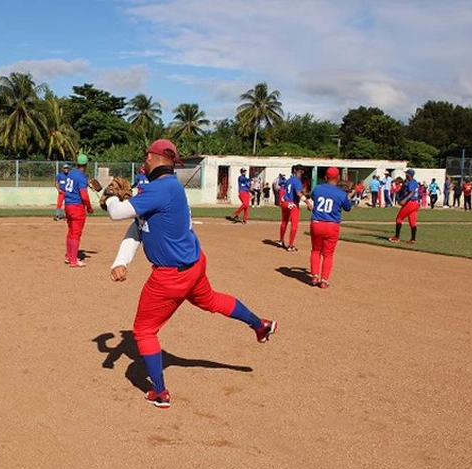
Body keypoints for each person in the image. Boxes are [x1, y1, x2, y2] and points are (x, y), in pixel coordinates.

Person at [103, 139, 277, 409]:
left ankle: (159, 393)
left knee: (144, 330)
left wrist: (109, 194)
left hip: (170, 277)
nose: (144, 161)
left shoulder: (162, 188)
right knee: (212, 300)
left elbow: (116, 213)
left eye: (146, 156)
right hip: (194, 267)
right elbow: (139, 227)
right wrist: (121, 260)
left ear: (153, 157)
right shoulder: (166, 188)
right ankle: (260, 324)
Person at [309, 167, 353, 288]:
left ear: (326, 177)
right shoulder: (341, 193)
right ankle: (324, 280)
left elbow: (313, 197)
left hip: (317, 223)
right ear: (338, 178)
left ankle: (314, 277)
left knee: (316, 250)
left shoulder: (318, 188)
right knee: (328, 254)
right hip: (332, 225)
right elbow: (348, 208)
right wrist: (348, 196)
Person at [63, 154, 94, 267]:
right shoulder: (81, 177)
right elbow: (84, 196)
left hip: (68, 205)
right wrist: (89, 207)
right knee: (76, 233)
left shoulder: (71, 173)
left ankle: (69, 256)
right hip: (77, 207)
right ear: (86, 164)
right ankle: (73, 261)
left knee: (71, 231)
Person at [278, 164, 310, 252]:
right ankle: (290, 245)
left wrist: (305, 193)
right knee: (294, 224)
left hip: (285, 203)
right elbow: (298, 193)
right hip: (293, 204)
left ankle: (281, 240)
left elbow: (288, 190)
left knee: (284, 221)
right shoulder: (297, 181)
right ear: (301, 172)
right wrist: (308, 203)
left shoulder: (289, 180)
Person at [388, 169, 420, 244]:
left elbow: (412, 193)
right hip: (415, 204)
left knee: (399, 218)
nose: (405, 174)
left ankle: (396, 237)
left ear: (409, 175)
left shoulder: (411, 182)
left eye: (406, 173)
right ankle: (413, 239)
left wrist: (404, 200)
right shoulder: (413, 182)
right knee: (412, 221)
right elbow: (406, 190)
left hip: (410, 203)